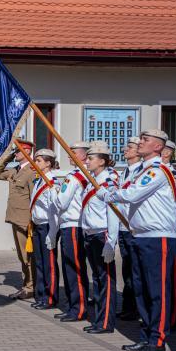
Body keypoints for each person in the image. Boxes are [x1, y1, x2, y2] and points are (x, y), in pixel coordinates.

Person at [98, 129, 176, 351]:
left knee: (156, 291)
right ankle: (146, 337)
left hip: (158, 237)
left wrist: (107, 194)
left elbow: (132, 194)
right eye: (141, 139)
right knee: (141, 290)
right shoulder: (141, 170)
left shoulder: (158, 170)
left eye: (146, 140)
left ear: (158, 147)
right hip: (141, 235)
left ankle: (158, 340)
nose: (140, 142)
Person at [80, 141, 119, 334]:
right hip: (91, 235)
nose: (86, 161)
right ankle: (99, 319)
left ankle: (106, 323)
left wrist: (111, 242)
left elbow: (113, 213)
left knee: (106, 281)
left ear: (102, 161)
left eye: (90, 158)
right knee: (97, 278)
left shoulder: (107, 183)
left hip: (102, 235)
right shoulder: (92, 181)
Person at [51, 141, 91, 322]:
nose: (69, 155)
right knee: (70, 269)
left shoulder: (75, 176)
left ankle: (79, 308)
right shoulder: (83, 174)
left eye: (72, 152)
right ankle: (72, 306)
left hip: (73, 225)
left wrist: (54, 193)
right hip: (71, 225)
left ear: (83, 155)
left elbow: (61, 202)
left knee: (74, 269)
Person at [0, 139, 36, 300]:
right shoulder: (15, 170)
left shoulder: (31, 172)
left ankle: (30, 286)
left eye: (18, 151)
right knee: (22, 255)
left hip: (25, 220)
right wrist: (8, 157)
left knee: (28, 255)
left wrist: (33, 220)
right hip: (15, 218)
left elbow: (34, 197)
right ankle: (27, 284)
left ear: (27, 152)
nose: (16, 154)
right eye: (15, 151)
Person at [116, 137, 142, 322]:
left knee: (137, 272)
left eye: (130, 147)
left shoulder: (143, 171)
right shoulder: (125, 171)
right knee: (127, 271)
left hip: (134, 228)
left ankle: (139, 309)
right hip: (123, 228)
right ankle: (129, 307)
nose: (126, 150)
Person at [29, 148, 59, 310]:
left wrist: (53, 233)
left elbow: (54, 210)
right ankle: (41, 295)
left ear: (48, 163)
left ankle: (51, 297)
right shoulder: (40, 179)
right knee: (39, 262)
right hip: (37, 225)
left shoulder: (52, 181)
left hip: (48, 225)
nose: (36, 162)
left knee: (49, 264)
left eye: (39, 160)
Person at [161, 140, 176, 331]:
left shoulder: (174, 177)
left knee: (171, 277)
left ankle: (172, 317)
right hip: (157, 232)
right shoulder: (155, 172)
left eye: (165, 151)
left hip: (171, 232)